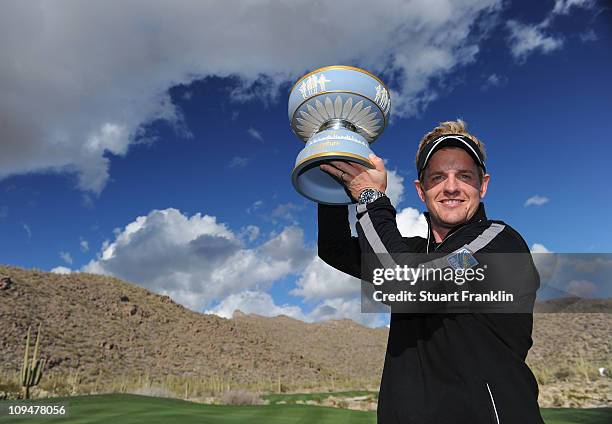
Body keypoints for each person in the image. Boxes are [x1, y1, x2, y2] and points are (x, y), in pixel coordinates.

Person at [318, 120, 543, 423]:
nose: (451, 187)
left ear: (483, 185)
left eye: (464, 176)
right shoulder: (412, 254)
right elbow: (334, 248)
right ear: (421, 191)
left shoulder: (497, 243)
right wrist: (332, 172)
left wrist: (370, 197)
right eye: (438, 177)